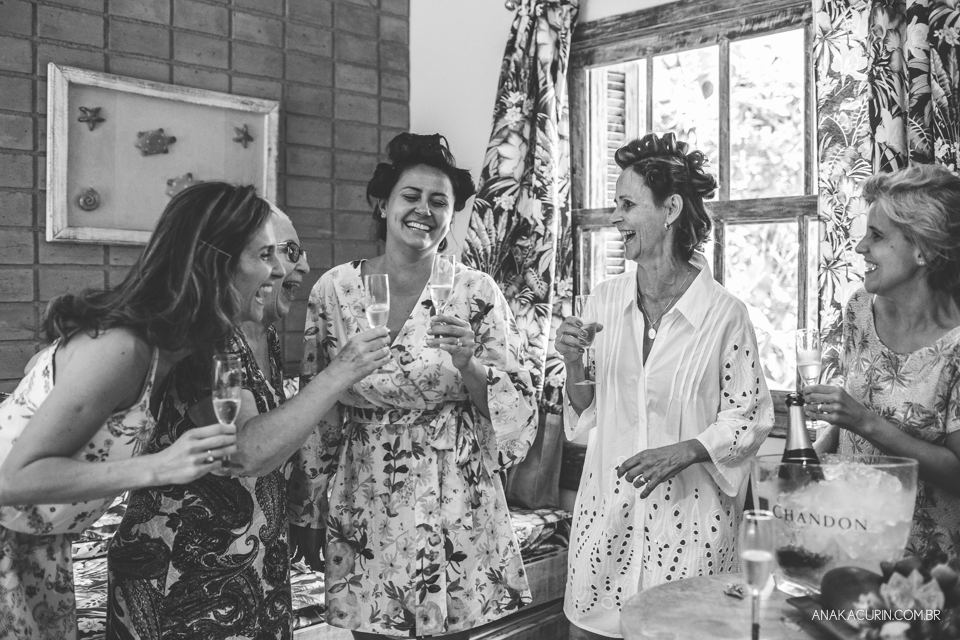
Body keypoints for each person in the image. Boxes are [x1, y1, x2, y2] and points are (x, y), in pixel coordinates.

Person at [289, 132, 538, 639]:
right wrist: (308, 507)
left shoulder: (477, 291)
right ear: (382, 204)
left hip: (457, 491)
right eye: (411, 196)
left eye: (439, 201)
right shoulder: (334, 291)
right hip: (367, 491)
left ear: (451, 216)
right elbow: (317, 407)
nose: (424, 210)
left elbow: (515, 411)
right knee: (373, 631)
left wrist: (469, 366)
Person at [0, 181, 275, 639]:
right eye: (265, 255)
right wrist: (158, 467)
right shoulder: (121, 346)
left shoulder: (184, 347)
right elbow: (14, 479)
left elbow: (242, 448)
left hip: (43, 542)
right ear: (217, 264)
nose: (281, 268)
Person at [106, 206, 391, 639]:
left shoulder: (265, 333)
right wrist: (341, 372)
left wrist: (305, 511)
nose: (300, 265)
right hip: (183, 569)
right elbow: (248, 451)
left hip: (253, 564)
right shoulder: (207, 332)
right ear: (237, 259)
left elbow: (278, 439)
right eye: (283, 251)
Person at [556, 133, 774, 639]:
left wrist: (688, 449)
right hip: (605, 523)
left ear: (670, 209)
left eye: (627, 205)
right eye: (616, 205)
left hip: (690, 531)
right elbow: (586, 411)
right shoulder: (602, 302)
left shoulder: (725, 315)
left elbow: (750, 415)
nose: (616, 218)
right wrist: (572, 363)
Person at [808, 164, 960, 561]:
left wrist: (865, 422)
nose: (860, 248)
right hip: (848, 541)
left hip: (926, 567)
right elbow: (849, 428)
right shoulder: (859, 309)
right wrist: (808, 464)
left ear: (922, 248)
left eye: (876, 237)